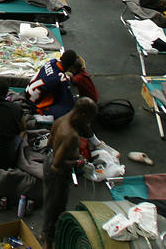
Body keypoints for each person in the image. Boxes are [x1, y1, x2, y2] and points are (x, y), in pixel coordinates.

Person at [42, 98, 98, 249]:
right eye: (89, 120)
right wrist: (78, 162)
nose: (88, 124)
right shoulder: (71, 135)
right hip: (57, 173)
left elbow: (49, 143)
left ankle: (45, 234)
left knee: (49, 202)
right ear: (84, 115)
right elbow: (57, 165)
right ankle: (48, 242)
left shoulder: (61, 119)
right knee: (55, 208)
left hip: (47, 161)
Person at [27, 50, 78, 119]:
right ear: (71, 66)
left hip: (28, 95)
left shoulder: (51, 62)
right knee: (68, 109)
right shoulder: (61, 80)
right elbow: (68, 102)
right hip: (36, 106)